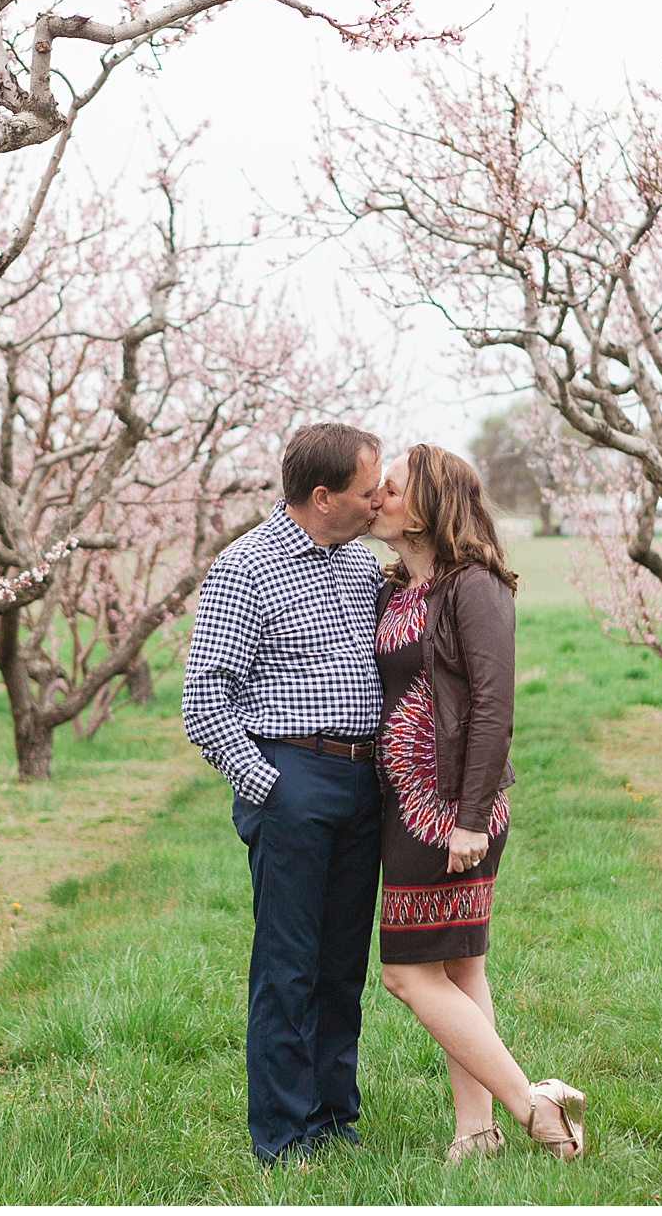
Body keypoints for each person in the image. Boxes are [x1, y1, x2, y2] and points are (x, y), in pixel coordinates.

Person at [368, 444, 586, 1162]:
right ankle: (476, 1129)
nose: (377, 497)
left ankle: (532, 1105)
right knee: (461, 967)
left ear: (428, 504)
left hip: (451, 813)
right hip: (406, 806)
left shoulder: (475, 586)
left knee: (405, 972)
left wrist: (467, 816)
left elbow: (494, 706)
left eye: (391, 489)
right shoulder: (396, 590)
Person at [181, 422, 387, 1165]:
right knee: (289, 965)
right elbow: (205, 697)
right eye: (369, 491)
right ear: (324, 496)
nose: (378, 501)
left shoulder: (360, 566)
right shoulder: (246, 567)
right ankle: (284, 1133)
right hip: (291, 779)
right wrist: (269, 785)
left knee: (341, 965)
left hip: (362, 783)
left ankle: (335, 1117)